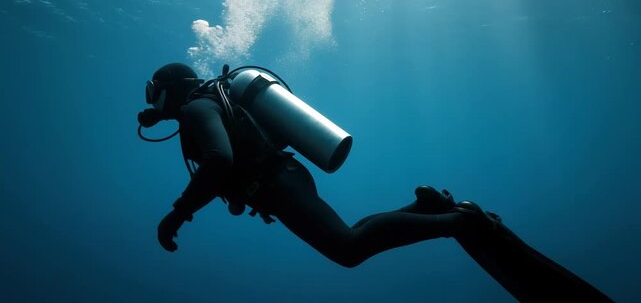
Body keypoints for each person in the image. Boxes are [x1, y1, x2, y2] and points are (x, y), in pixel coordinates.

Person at [138, 63, 613, 301]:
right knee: (350, 236)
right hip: (280, 179)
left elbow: (219, 160)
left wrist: (177, 214)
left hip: (276, 183)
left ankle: (457, 223)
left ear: (167, 90)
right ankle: (424, 208)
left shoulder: (196, 107)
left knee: (347, 249)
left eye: (153, 94)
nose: (153, 104)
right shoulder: (206, 103)